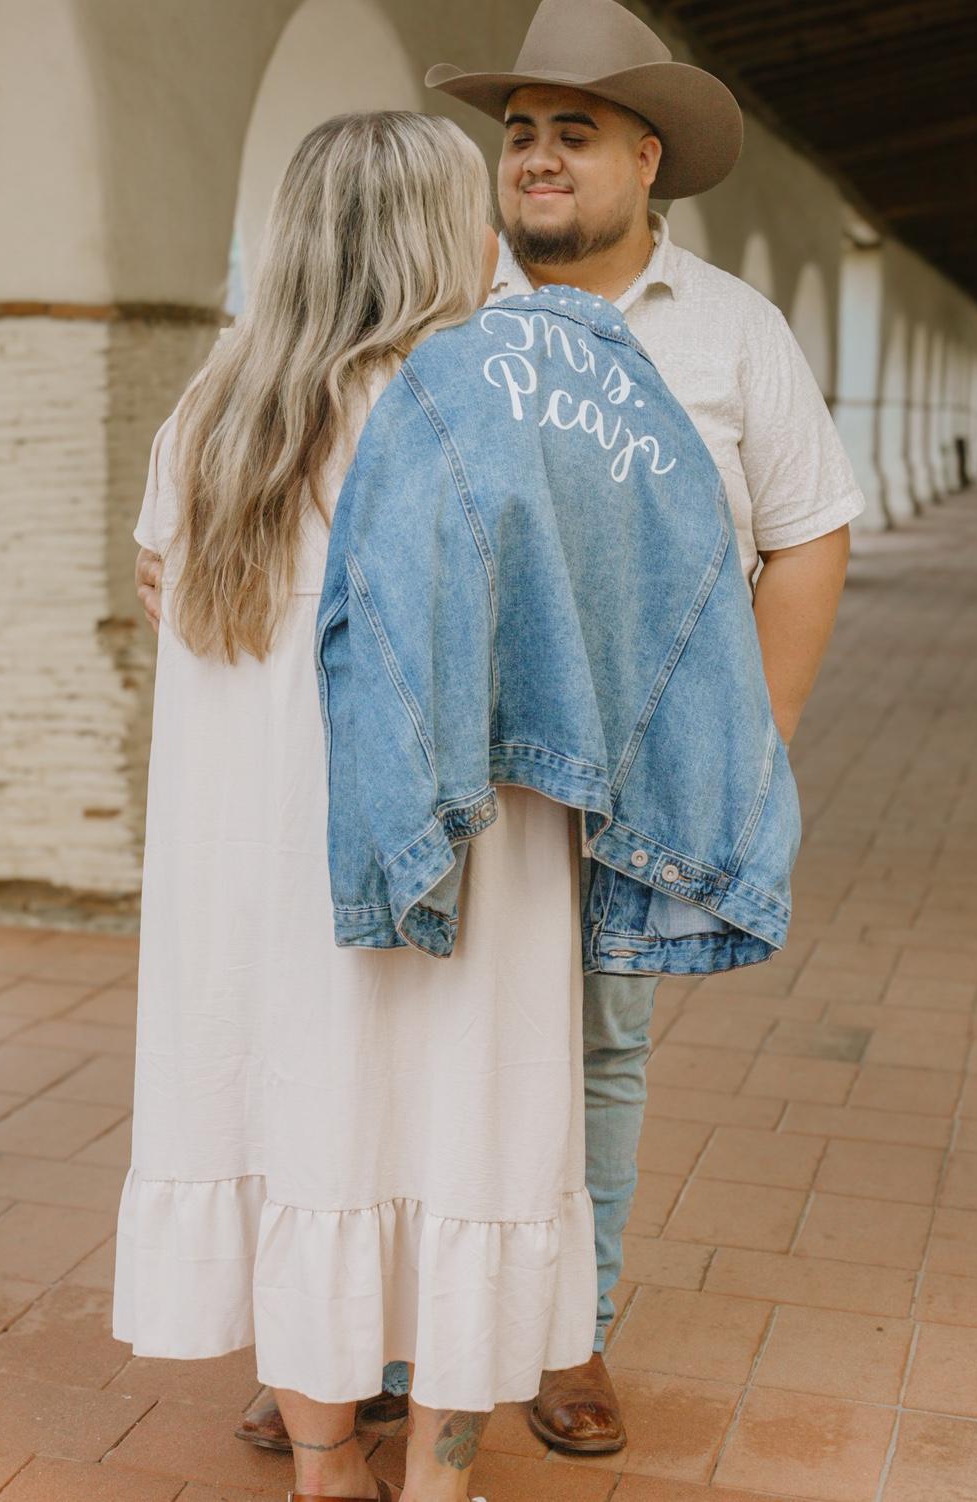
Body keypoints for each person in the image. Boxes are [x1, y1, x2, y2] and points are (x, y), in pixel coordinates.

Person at [136, 0, 864, 1458]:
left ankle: (549, 1333)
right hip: (471, 787)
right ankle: (382, 1348)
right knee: (448, 1077)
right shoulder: (466, 354)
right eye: (515, 134)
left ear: (647, 158)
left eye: (570, 133)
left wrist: (743, 740)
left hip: (592, 777)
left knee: (564, 1064)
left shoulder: (730, 329)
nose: (531, 160)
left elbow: (805, 531)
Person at [113, 110, 598, 1502]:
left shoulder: (212, 415)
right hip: (466, 862)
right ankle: (439, 1479)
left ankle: (325, 1467)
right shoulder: (493, 407)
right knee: (468, 1132)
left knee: (303, 1132)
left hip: (256, 868)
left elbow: (168, 598)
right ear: (441, 237)